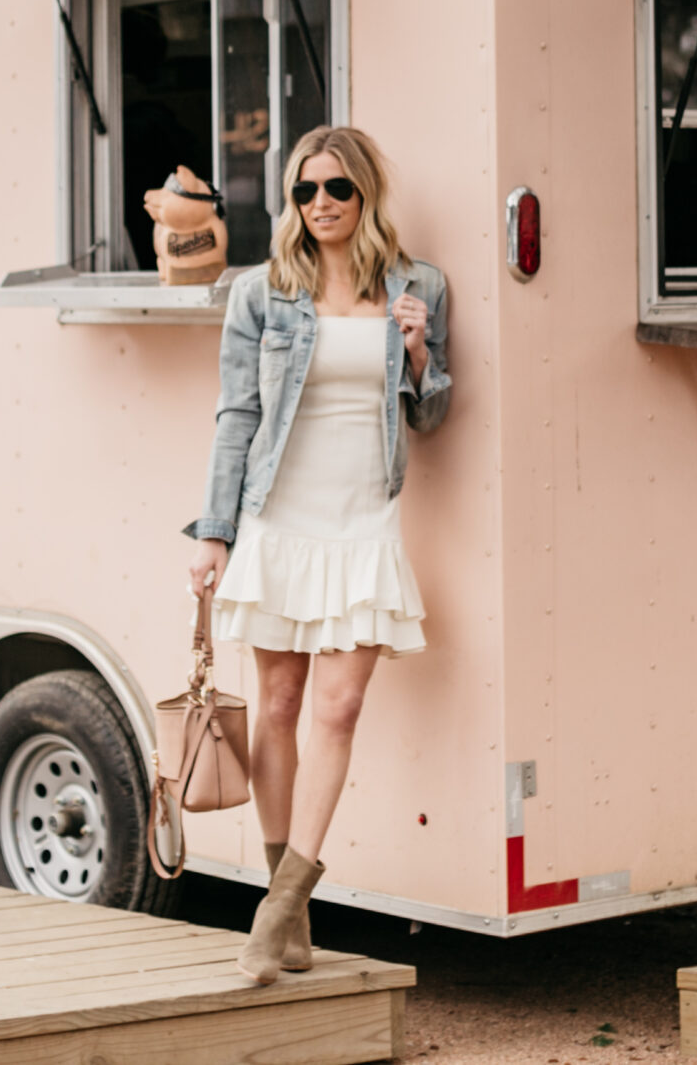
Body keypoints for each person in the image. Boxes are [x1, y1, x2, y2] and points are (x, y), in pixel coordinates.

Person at [184, 124, 451, 982]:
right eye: (305, 190)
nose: (321, 204)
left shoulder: (418, 286)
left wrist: (416, 355)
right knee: (280, 701)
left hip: (364, 519)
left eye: (336, 188)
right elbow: (236, 417)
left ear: (364, 193)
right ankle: (286, 903)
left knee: (338, 709)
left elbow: (433, 413)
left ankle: (276, 910)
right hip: (280, 516)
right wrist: (215, 533)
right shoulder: (263, 292)